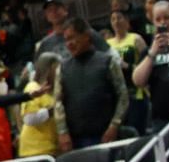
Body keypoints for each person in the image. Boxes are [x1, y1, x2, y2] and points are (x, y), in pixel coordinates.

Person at [52, 17, 127, 150]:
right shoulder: (62, 68)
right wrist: (62, 132)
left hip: (107, 136)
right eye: (66, 40)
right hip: (75, 141)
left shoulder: (108, 62)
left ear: (86, 36)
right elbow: (58, 102)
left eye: (72, 38)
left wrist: (114, 125)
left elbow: (123, 96)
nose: (69, 44)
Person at [107, 7, 151, 133]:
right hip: (118, 95)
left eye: (119, 18)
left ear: (127, 21)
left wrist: (127, 66)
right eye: (113, 19)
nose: (116, 22)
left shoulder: (135, 38)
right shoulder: (108, 44)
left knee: (138, 130)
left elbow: (148, 64)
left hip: (136, 92)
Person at [17, 53, 62, 158]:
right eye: (56, 68)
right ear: (47, 69)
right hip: (34, 149)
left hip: (52, 147)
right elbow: (29, 119)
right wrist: (52, 110)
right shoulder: (33, 87)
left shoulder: (55, 90)